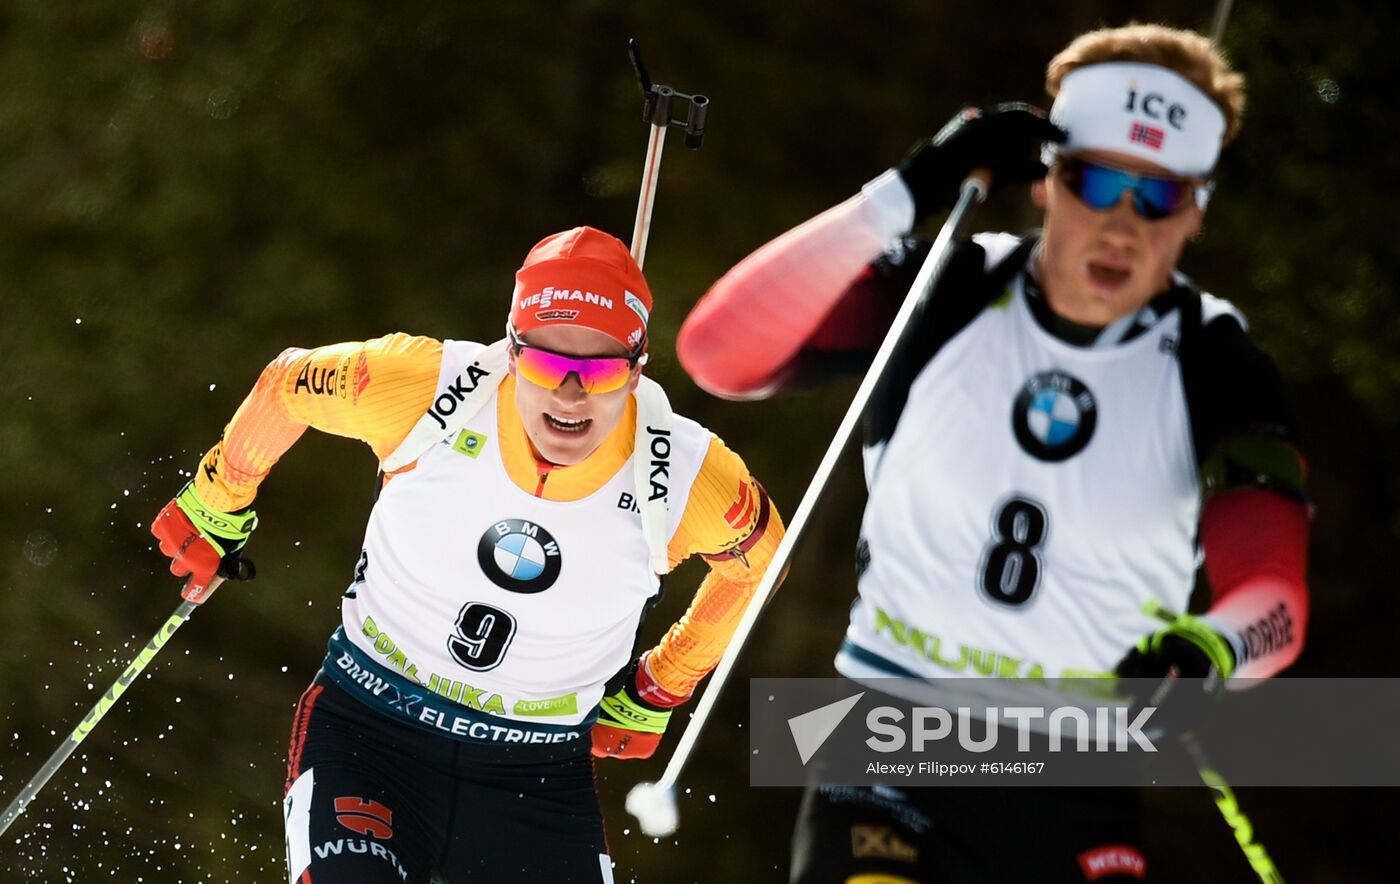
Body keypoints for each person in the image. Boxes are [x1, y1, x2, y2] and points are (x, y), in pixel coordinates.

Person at [678, 23, 1309, 883]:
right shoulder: (946, 288)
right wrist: (908, 190)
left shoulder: (1219, 363)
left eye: (1156, 197)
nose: (1122, 227)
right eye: (1097, 182)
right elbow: (718, 353)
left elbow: (1273, 598)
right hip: (888, 736)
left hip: (1080, 773)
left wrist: (1208, 653)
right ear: (1049, 182)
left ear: (1196, 209)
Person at [150, 226, 784, 883]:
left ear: (637, 367)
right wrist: (216, 501)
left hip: (533, 778)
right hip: (372, 732)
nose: (570, 395)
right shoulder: (426, 386)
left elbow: (762, 564)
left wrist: (663, 681)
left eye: (599, 370)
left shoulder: (682, 472)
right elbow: (290, 385)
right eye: (545, 364)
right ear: (512, 352)